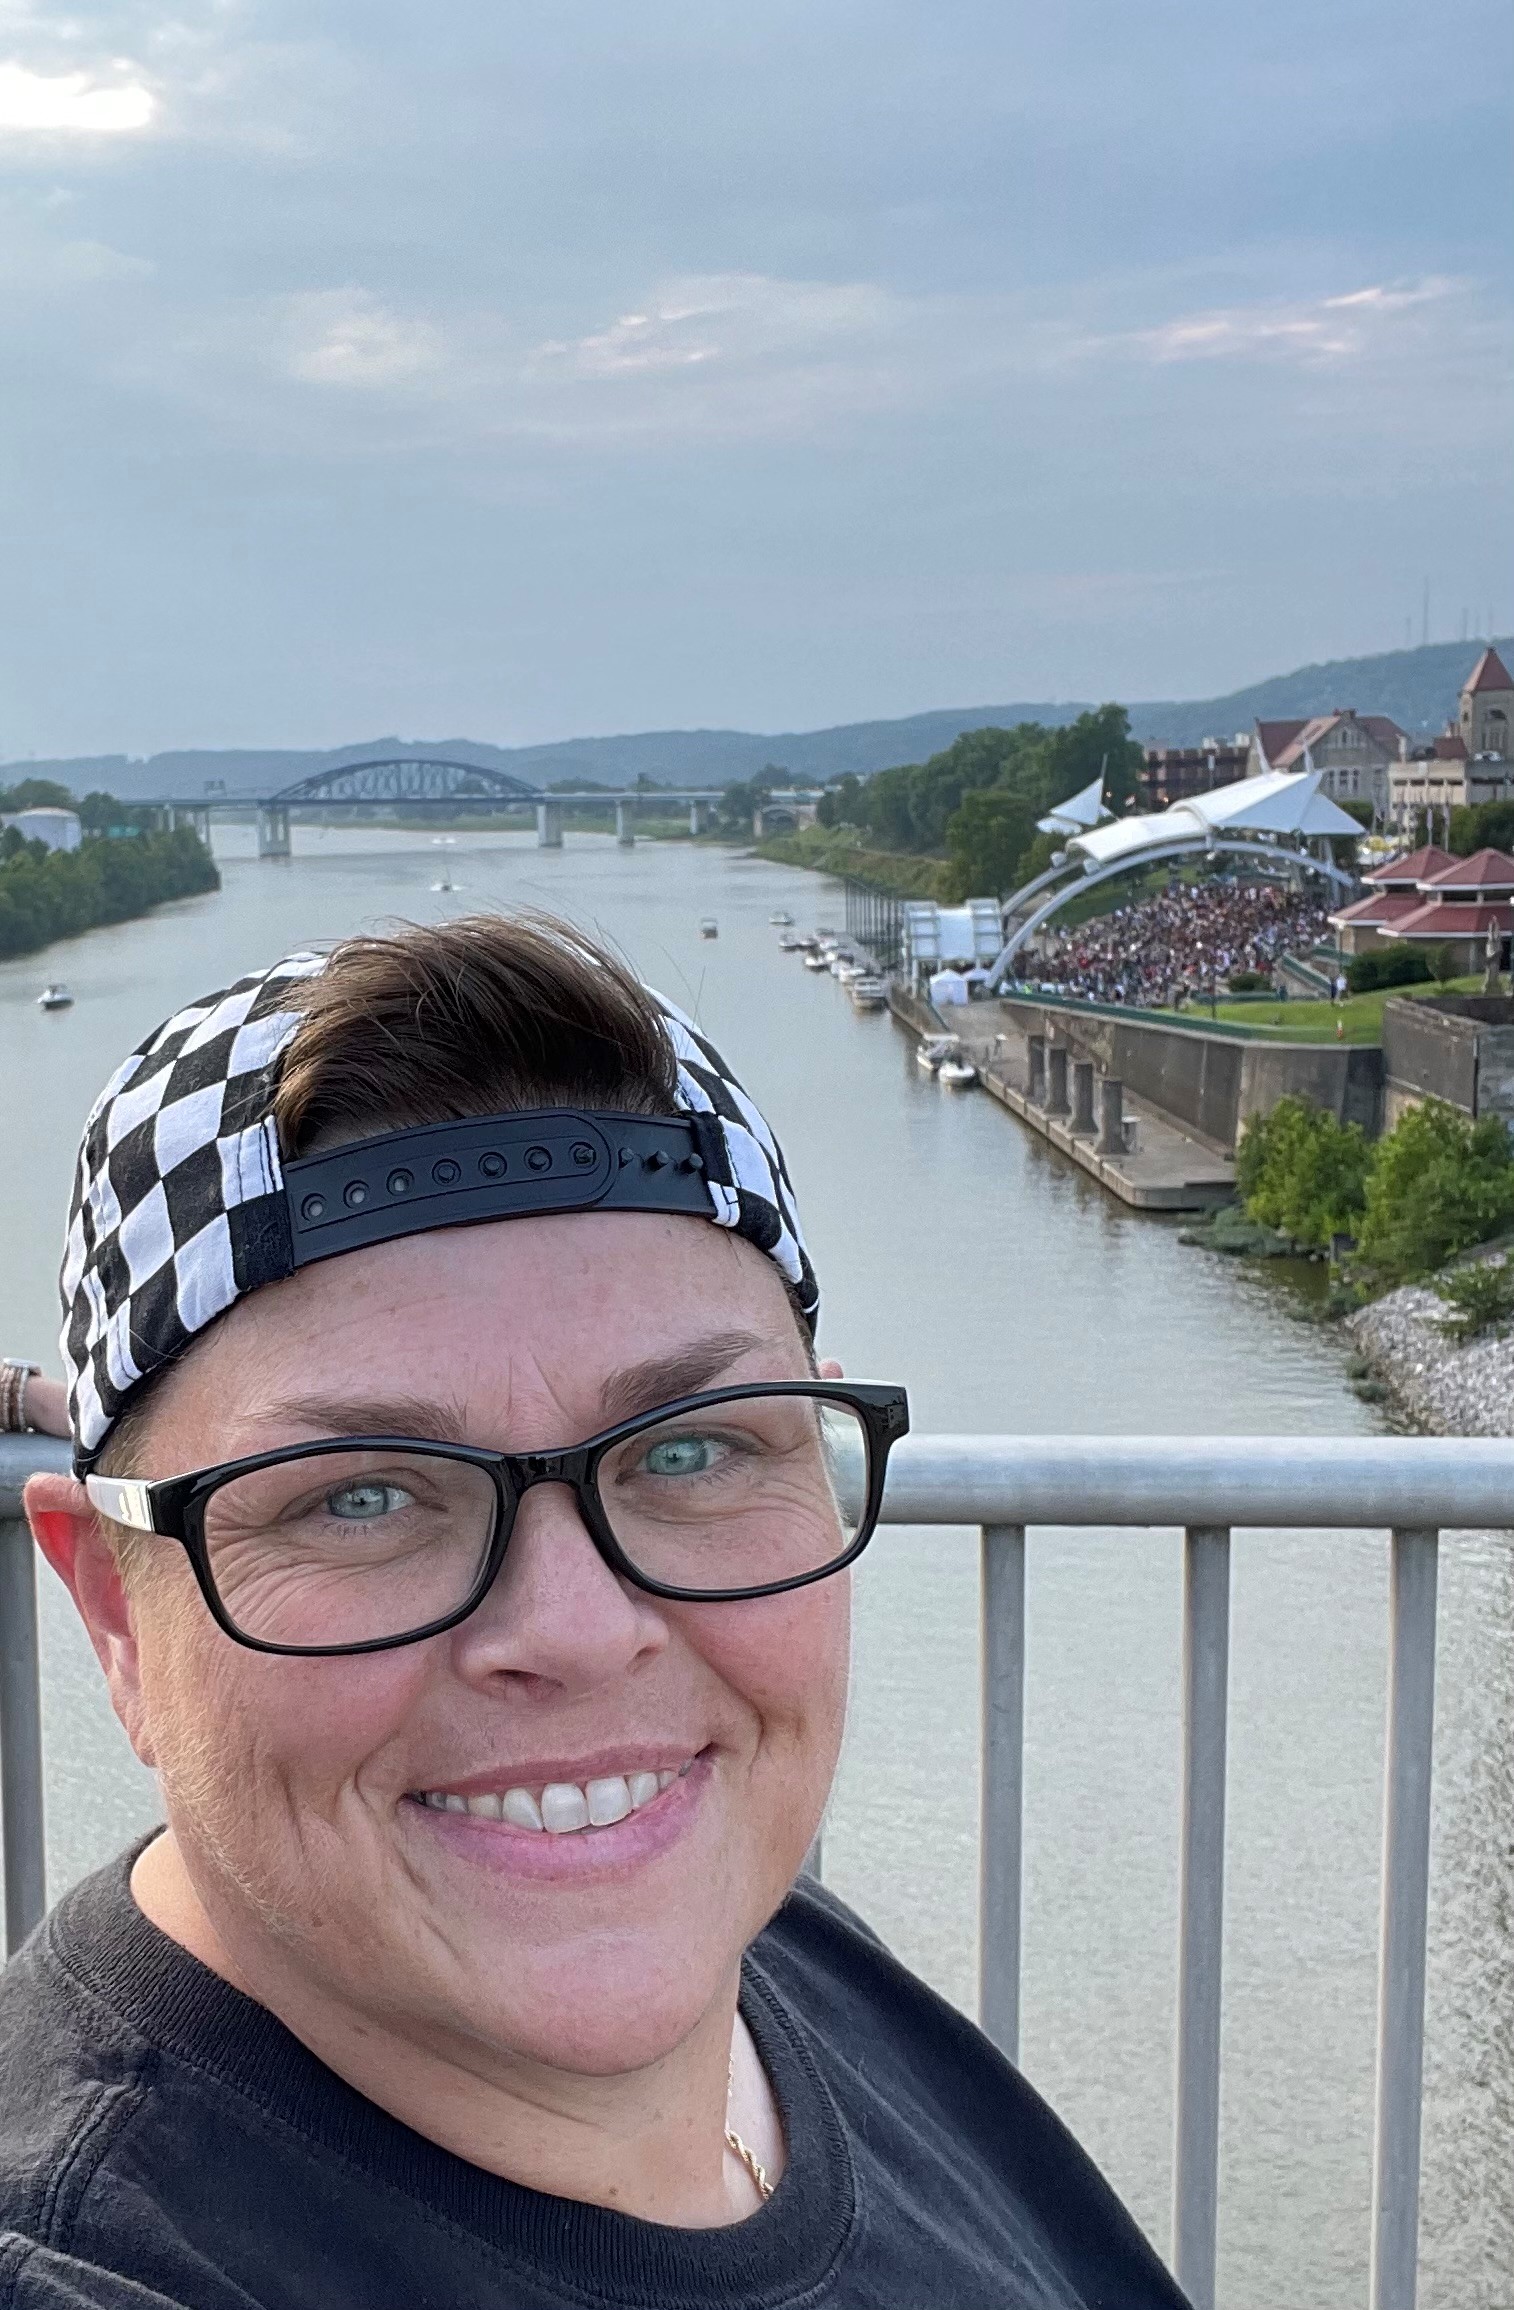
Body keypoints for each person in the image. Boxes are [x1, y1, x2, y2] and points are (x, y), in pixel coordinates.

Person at [0, 913, 1188, 2309]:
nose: (573, 1627)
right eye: (361, 1496)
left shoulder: (786, 1951)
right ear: (115, 1613)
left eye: (689, 1448)